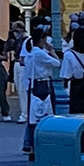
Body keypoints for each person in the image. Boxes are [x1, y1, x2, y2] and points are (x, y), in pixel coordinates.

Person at [19, 26, 60, 156]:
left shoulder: (31, 53)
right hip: (43, 83)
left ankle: (32, 145)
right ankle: (45, 143)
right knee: (47, 113)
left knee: (34, 115)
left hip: (33, 84)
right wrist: (51, 51)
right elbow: (56, 63)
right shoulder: (39, 53)